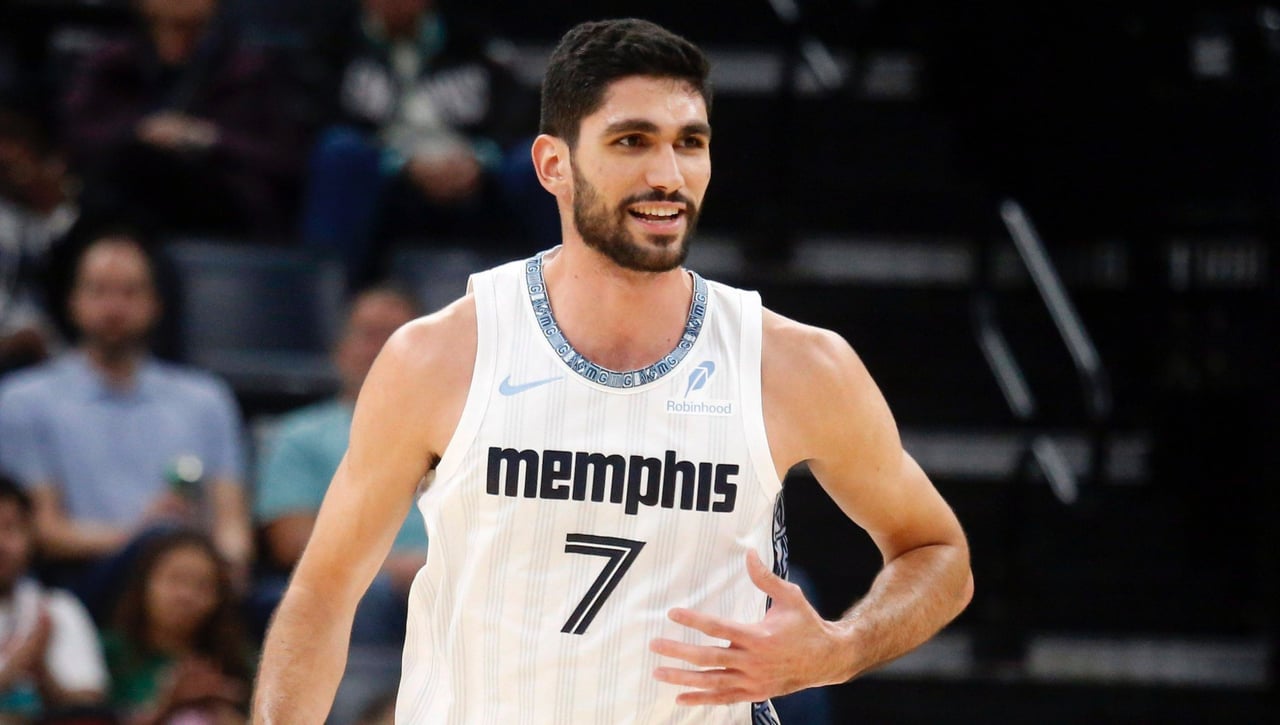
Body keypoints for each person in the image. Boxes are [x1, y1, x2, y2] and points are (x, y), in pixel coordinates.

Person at [255, 18, 972, 723]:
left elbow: (938, 551)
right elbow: (322, 595)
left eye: (690, 143)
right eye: (632, 141)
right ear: (553, 165)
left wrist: (842, 648)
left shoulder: (794, 364)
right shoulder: (439, 356)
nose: (668, 175)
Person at [0, 232, 252, 616]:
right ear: (73, 302)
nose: (114, 307)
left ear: (155, 304)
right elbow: (44, 531)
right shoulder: (25, 399)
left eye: (130, 292)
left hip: (194, 579)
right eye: (99, 291)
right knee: (162, 547)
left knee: (282, 605)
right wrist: (143, 538)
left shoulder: (206, 399)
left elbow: (232, 522)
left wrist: (229, 562)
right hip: (87, 580)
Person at [299, 0, 554, 284]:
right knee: (339, 152)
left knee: (539, 160)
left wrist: (481, 158)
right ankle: (333, 294)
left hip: (476, 178)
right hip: (384, 180)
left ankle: (561, 291)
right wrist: (400, 163)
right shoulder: (334, 43)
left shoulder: (473, 40)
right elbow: (315, 120)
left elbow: (519, 114)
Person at [252, 285, 424, 645]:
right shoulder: (299, 436)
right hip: (359, 588)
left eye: (395, 336)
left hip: (449, 578)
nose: (380, 348)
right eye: (368, 335)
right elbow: (292, 542)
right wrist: (393, 570)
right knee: (362, 594)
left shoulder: (462, 432)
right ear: (341, 349)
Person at [61, 0, 310, 237]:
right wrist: (141, 132)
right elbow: (76, 138)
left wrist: (206, 137)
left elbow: (284, 158)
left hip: (222, 204)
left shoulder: (251, 68)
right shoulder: (112, 63)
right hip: (126, 201)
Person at [102, 530, 251, 724]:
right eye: (174, 579)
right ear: (145, 583)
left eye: (202, 586)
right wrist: (167, 706)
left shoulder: (237, 661)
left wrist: (218, 709)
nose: (185, 596)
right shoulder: (108, 652)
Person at [0, 472, 109, 718]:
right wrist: (15, 667)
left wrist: (41, 671)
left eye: (10, 528)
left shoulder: (58, 608)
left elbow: (89, 706)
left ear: (31, 537)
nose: (1, 543)